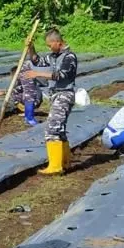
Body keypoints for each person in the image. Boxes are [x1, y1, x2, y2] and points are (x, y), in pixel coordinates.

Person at [23, 28, 78, 174]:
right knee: (59, 130)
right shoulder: (53, 56)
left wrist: (37, 73)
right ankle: (65, 162)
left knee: (52, 129)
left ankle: (55, 167)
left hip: (64, 94)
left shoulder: (69, 57)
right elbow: (37, 60)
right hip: (55, 95)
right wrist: (31, 48)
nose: (48, 48)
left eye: (49, 45)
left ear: (57, 42)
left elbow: (62, 75)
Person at [9, 58, 42, 126]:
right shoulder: (21, 82)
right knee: (14, 93)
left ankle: (29, 118)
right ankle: (27, 115)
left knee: (17, 94)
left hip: (35, 100)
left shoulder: (25, 78)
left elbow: (27, 93)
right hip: (34, 98)